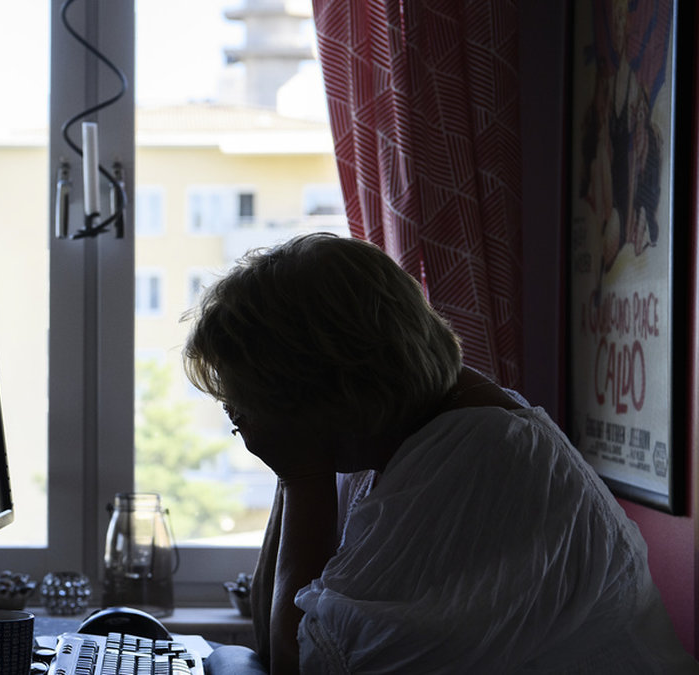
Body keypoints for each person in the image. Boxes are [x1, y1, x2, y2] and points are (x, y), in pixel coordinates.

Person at [184, 233, 697, 674]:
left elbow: (302, 664)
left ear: (326, 386)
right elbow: (274, 641)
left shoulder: (482, 458)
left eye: (251, 400)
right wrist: (292, 466)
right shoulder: (380, 435)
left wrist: (300, 475)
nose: (239, 418)